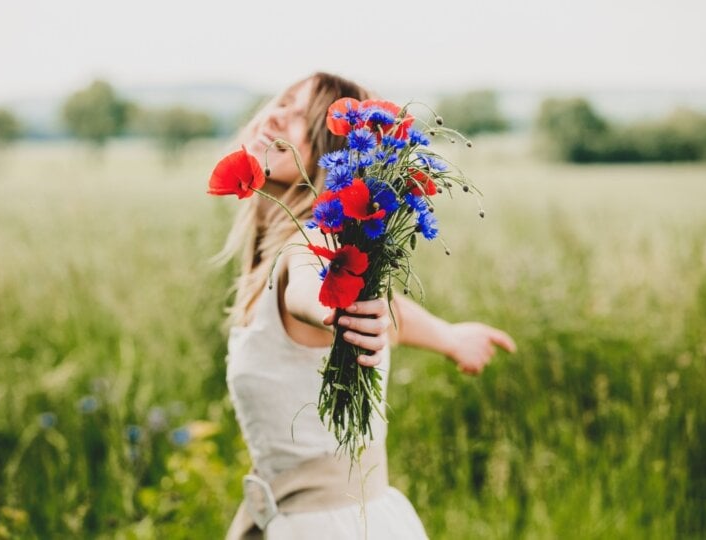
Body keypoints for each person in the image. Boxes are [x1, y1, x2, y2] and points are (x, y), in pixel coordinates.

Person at [215, 72, 517, 539]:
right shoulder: (285, 247)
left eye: (301, 116)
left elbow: (309, 291)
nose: (276, 113)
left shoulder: (312, 241)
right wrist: (450, 337)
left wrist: (335, 311)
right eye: (283, 101)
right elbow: (392, 309)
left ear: (330, 153)